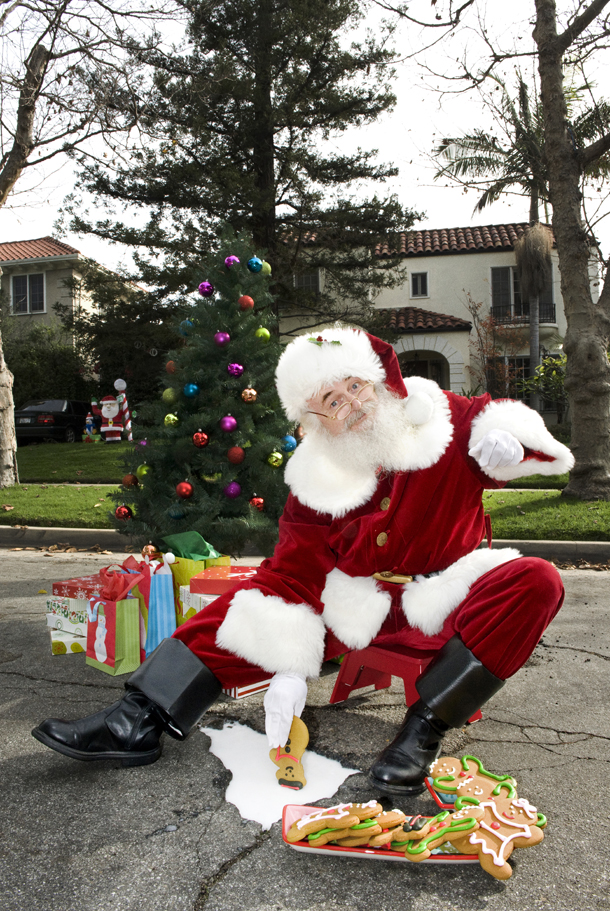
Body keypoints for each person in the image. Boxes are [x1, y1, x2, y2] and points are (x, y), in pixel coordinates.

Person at [33, 327, 572, 795]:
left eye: (355, 386)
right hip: (361, 607)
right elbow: (292, 575)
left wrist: (510, 447)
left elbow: (535, 446)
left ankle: (421, 735)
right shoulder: (314, 479)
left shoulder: (445, 418)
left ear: (378, 379)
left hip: (451, 597)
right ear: (314, 420)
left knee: (537, 580)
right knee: (240, 610)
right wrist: (288, 667)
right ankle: (137, 720)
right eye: (331, 402)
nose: (352, 405)